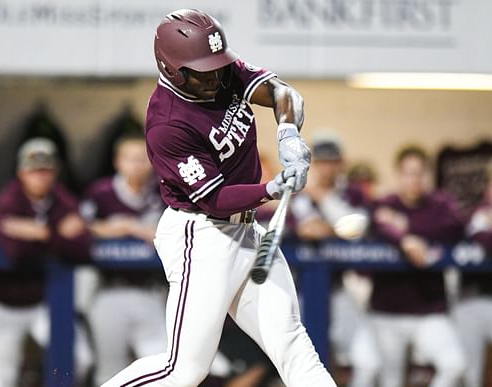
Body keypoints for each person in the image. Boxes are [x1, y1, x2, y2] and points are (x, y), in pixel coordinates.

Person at [102, 8, 336, 387]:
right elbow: (215, 198)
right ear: (173, 68)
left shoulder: (221, 70)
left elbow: (282, 93)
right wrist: (271, 189)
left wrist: (288, 134)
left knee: (292, 344)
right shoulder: (167, 123)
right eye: (203, 70)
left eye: (217, 66)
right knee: (184, 369)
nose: (215, 76)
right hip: (201, 235)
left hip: (247, 232)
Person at [0, 137, 92, 387]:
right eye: (33, 171)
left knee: (79, 360)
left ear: (55, 172)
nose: (40, 177)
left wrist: (42, 233)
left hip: (46, 301)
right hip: (5, 304)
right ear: (21, 172)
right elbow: (15, 253)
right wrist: (59, 235)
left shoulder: (64, 200)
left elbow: (83, 248)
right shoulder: (7, 201)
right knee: (1, 377)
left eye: (45, 170)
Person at [370, 145, 466, 387]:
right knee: (390, 379)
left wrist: (407, 228)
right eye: (408, 173)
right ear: (398, 175)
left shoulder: (440, 205)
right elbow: (377, 224)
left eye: (419, 173)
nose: (414, 179)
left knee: (454, 365)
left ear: (427, 176)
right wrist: (403, 239)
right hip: (387, 310)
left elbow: (456, 228)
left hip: (429, 310)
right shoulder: (386, 203)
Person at [290, 132, 377, 387]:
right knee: (307, 366)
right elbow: (306, 228)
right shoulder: (298, 191)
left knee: (368, 363)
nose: (327, 167)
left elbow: (358, 228)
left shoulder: (353, 193)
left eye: (332, 161)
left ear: (341, 163)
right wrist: (335, 227)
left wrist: (323, 198)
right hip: (302, 290)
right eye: (322, 161)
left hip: (339, 288)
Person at [80, 133, 168, 386]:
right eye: (131, 159)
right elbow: (81, 229)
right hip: (109, 289)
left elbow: (170, 232)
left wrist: (129, 226)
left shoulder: (161, 190)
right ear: (118, 162)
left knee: (161, 365)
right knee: (110, 370)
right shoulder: (101, 191)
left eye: (143, 159)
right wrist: (110, 229)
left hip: (150, 289)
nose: (138, 164)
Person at [454, 159, 492, 387]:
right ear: (489, 188)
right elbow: (486, 240)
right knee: (469, 374)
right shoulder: (478, 214)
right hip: (469, 301)